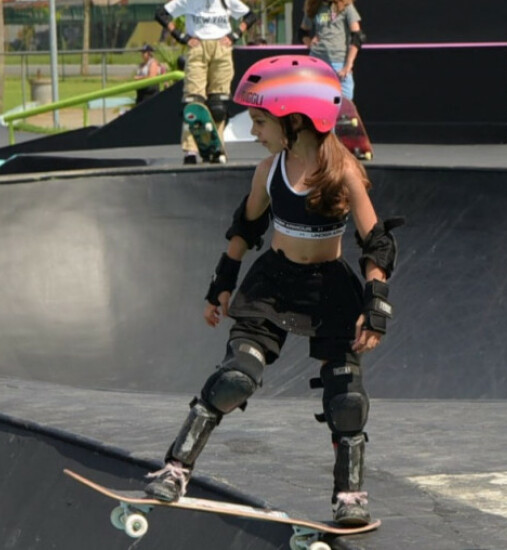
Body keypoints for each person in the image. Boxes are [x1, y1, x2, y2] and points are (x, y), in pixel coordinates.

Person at [142, 55, 401, 527]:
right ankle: (176, 468)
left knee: (345, 397)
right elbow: (247, 225)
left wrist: (376, 302)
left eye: (261, 121)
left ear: (297, 121)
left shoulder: (343, 172)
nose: (254, 131)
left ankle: (350, 495)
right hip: (274, 284)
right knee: (236, 376)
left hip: (330, 291)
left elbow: (375, 242)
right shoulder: (267, 170)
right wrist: (222, 282)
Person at [155, 0, 258, 164]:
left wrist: (235, 35)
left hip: (221, 48)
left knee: (219, 104)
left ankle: (217, 147)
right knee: (194, 101)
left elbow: (250, 16)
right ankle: (191, 149)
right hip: (198, 47)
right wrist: (182, 37)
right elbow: (161, 14)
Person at [299, 0, 364, 99]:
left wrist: (348, 65)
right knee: (318, 102)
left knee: (345, 104)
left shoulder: (346, 6)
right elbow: (302, 32)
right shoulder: (314, 6)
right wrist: (309, 42)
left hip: (339, 62)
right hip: (317, 61)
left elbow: (358, 36)